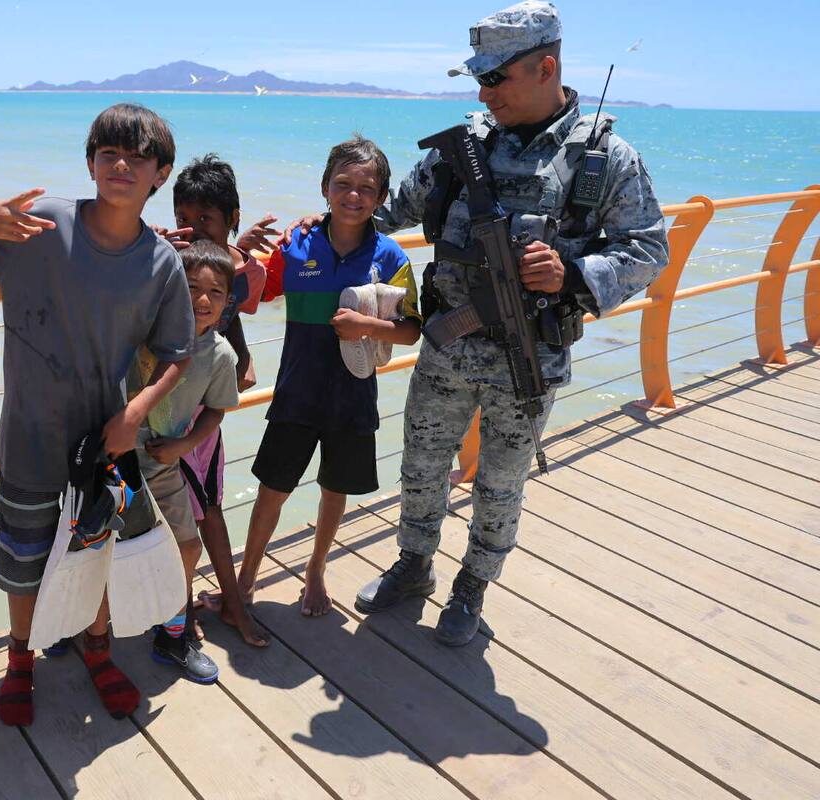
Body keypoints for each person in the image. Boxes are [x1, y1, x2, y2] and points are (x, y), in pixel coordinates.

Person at [291, 1, 669, 646]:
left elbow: (648, 250)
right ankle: (413, 565)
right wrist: (319, 227)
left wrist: (573, 273)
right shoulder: (462, 147)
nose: (484, 92)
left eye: (496, 78)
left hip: (529, 359)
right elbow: (389, 212)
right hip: (447, 346)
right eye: (478, 79)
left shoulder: (604, 157)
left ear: (546, 67)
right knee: (420, 467)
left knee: (500, 484)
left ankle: (471, 588)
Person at [0, 103, 194, 725]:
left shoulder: (161, 262)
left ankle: (98, 649)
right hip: (28, 431)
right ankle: (19, 659)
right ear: (89, 163)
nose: (121, 166)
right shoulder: (46, 223)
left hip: (107, 437)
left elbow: (176, 354)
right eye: (109, 154)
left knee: (98, 549)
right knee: (23, 557)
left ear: (161, 174)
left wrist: (135, 413)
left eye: (138, 158)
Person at [237, 135, 422, 618]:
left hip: (353, 392)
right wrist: (239, 254)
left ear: (382, 198)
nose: (353, 195)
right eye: (343, 184)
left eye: (367, 188)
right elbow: (253, 295)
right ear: (325, 188)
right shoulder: (296, 244)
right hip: (297, 389)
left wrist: (367, 326)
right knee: (272, 489)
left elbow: (410, 331)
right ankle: (245, 581)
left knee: (334, 487)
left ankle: (316, 568)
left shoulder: (391, 257)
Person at [167, 155, 270, 647]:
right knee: (176, 520)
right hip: (161, 417)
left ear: (231, 218)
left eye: (205, 218)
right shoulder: (167, 266)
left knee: (208, 509)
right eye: (183, 217)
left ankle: (230, 603)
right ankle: (177, 610)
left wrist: (242, 359)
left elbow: (230, 317)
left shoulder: (237, 273)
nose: (192, 229)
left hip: (203, 416)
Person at [128, 240, 241, 680]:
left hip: (163, 458)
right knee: (95, 542)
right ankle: (75, 628)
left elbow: (216, 410)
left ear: (228, 301)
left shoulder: (221, 355)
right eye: (191, 287)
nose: (202, 300)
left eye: (215, 292)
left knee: (188, 544)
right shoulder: (145, 328)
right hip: (113, 453)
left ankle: (173, 633)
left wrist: (184, 444)